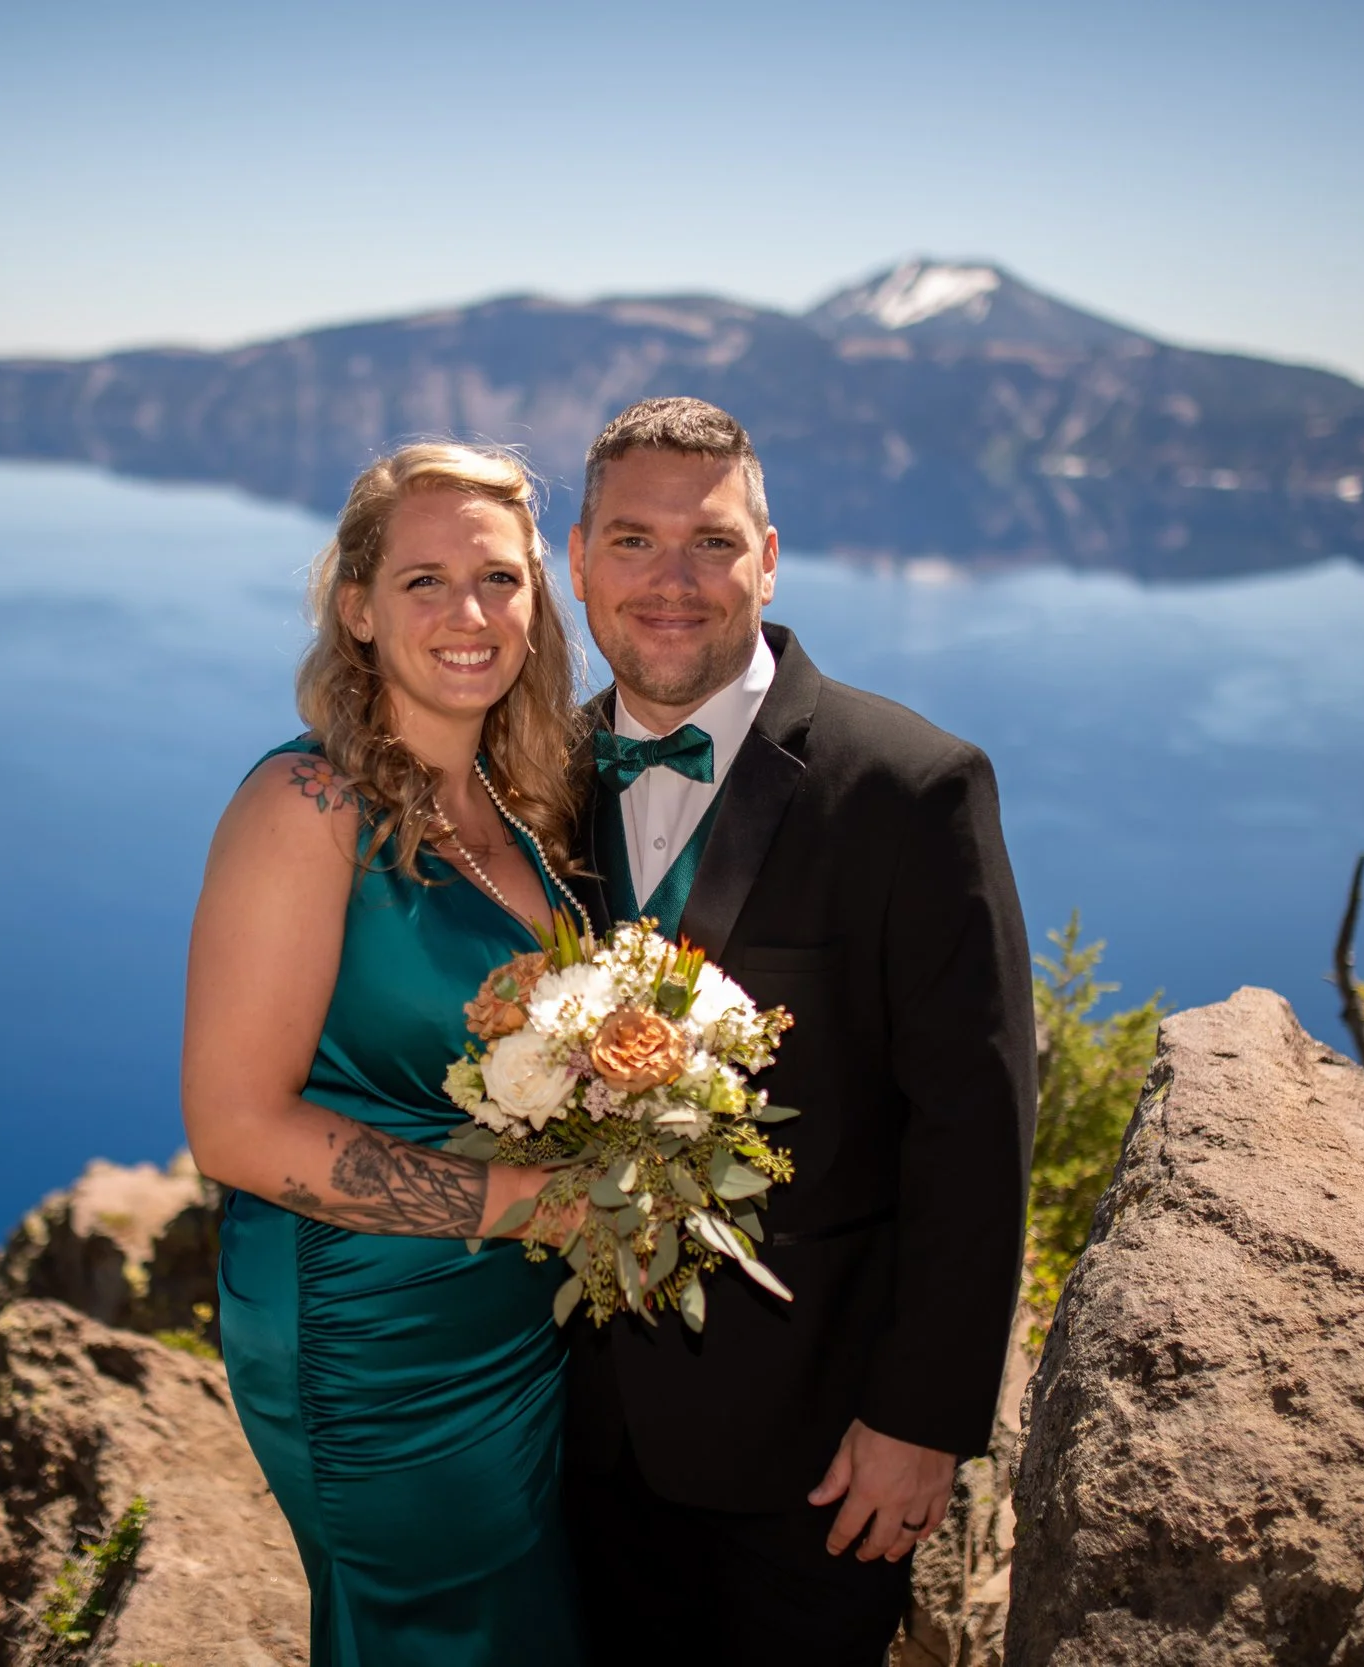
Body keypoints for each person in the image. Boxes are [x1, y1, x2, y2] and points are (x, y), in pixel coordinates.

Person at [558, 398, 1038, 1665]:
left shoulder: (909, 786)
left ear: (768, 559)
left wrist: (920, 1421)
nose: (672, 581)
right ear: (577, 563)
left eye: (710, 542)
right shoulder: (532, 781)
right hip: (561, 1444)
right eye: (632, 541)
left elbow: (973, 1130)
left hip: (814, 1463)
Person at [181, 442, 590, 1666]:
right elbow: (236, 1126)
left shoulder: (511, 815)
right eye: (424, 581)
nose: (470, 614)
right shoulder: (305, 808)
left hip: (510, 1327)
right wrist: (539, 1205)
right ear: (356, 609)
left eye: (500, 579)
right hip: (371, 1338)